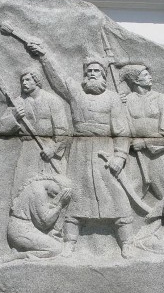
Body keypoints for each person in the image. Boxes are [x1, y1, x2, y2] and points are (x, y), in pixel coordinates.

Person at [26, 41, 134, 252]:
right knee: (74, 195)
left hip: (105, 153)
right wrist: (45, 56)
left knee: (116, 196)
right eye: (89, 71)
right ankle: (69, 243)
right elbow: (59, 79)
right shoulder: (77, 93)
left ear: (104, 75)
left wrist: (120, 157)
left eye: (97, 71)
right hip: (79, 153)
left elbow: (123, 131)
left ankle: (127, 243)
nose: (93, 74)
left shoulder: (112, 99)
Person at [119, 64, 164, 199]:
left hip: (160, 155)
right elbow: (120, 129)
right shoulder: (126, 101)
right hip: (135, 157)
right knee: (126, 196)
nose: (150, 77)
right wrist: (117, 103)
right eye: (145, 75)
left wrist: (145, 142)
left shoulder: (162, 99)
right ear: (136, 80)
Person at [0, 69, 71, 185]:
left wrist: (53, 150)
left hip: (48, 149)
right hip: (27, 151)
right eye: (22, 80)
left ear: (36, 81)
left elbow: (63, 132)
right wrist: (14, 116)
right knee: (22, 186)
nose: (24, 83)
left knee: (53, 187)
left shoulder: (52, 100)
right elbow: (1, 128)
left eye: (27, 79)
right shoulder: (18, 102)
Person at [7, 174, 72, 258]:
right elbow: (44, 222)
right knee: (57, 248)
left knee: (56, 242)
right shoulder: (38, 191)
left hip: (24, 228)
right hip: (20, 231)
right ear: (55, 183)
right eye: (59, 191)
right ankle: (20, 255)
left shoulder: (36, 187)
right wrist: (60, 204)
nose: (57, 195)